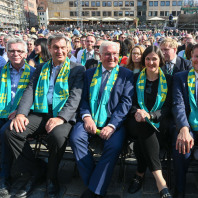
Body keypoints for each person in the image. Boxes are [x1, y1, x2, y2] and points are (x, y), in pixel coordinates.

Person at [4, 33, 85, 198]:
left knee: (57, 136)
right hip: (41, 111)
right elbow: (30, 91)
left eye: (63, 47)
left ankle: (52, 178)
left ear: (68, 49)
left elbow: (75, 98)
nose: (59, 51)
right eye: (55, 47)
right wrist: (21, 114)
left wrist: (60, 118)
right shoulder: (41, 67)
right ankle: (37, 168)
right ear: (49, 48)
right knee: (11, 132)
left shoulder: (77, 68)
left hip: (63, 115)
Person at [70, 41, 133, 198]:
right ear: (100, 55)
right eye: (107, 54)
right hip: (89, 119)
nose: (111, 57)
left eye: (115, 54)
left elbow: (125, 104)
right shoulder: (89, 74)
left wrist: (112, 126)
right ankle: (96, 181)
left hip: (114, 122)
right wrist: (87, 118)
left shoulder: (127, 75)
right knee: (76, 138)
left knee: (115, 145)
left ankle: (93, 190)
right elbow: (83, 99)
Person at [126, 46, 172, 198]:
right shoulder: (135, 78)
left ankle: (139, 174)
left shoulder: (169, 80)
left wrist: (151, 115)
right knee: (143, 126)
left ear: (160, 60)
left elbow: (167, 108)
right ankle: (161, 182)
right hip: (136, 120)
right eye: (148, 59)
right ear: (143, 60)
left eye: (154, 59)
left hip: (159, 122)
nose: (151, 62)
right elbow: (130, 103)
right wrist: (138, 113)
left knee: (143, 137)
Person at [0, 38, 35, 197]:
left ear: (26, 53)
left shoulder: (34, 73)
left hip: (20, 114)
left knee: (4, 134)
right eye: (12, 51)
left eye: (19, 51)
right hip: (2, 111)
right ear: (6, 52)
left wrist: (20, 111)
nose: (15, 54)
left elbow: (36, 98)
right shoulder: (1, 70)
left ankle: (3, 177)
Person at [172, 44, 198, 198]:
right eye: (196, 56)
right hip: (189, 126)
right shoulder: (180, 77)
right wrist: (183, 128)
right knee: (182, 147)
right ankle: (180, 189)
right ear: (191, 58)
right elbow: (178, 105)